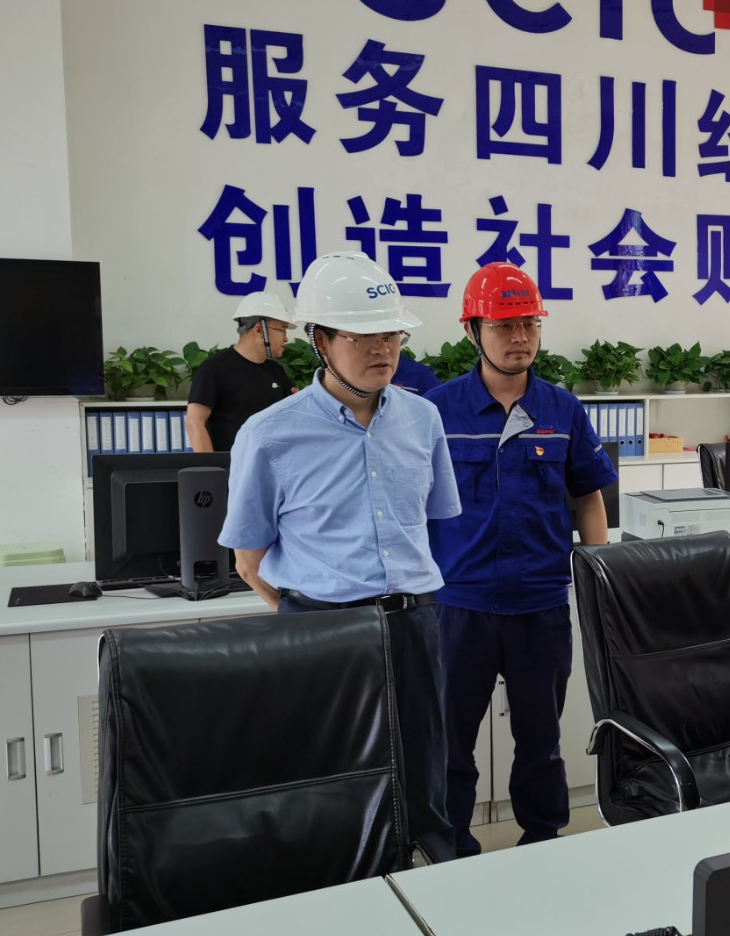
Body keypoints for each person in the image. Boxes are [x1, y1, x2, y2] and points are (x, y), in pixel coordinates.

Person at [219, 251, 462, 862]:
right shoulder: (270, 434)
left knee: (425, 772)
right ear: (321, 340)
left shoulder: (424, 419)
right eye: (363, 336)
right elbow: (248, 560)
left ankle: (435, 875)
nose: (383, 349)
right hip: (321, 626)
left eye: (392, 335)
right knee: (327, 775)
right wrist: (307, 612)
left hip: (413, 621)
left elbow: (433, 525)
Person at [425, 262, 617, 855]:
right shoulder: (436, 410)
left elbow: (588, 496)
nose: (520, 338)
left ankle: (541, 843)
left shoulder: (562, 409)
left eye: (529, 324)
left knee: (540, 740)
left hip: (540, 605)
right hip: (458, 606)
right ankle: (452, 847)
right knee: (450, 742)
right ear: (472, 331)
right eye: (504, 325)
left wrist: (599, 586)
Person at [185, 289, 296, 452]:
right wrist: (210, 466)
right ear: (259, 330)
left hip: (271, 463)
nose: (286, 338)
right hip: (229, 465)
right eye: (282, 329)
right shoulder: (214, 368)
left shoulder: (276, 371)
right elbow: (194, 423)